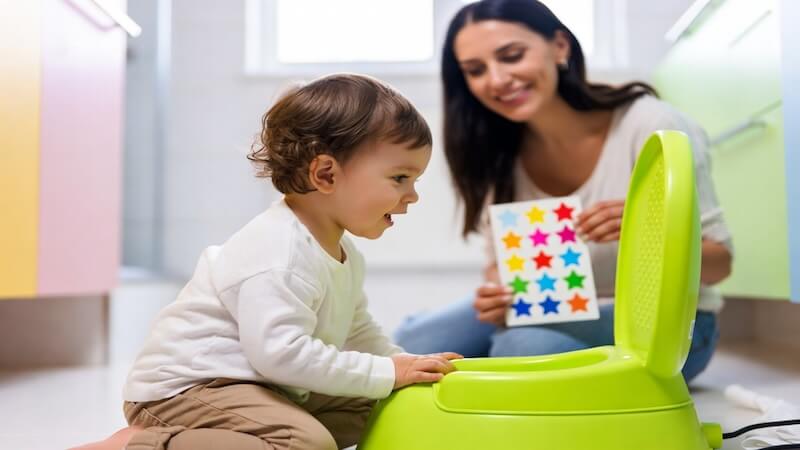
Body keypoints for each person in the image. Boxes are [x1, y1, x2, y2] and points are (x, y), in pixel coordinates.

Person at [73, 74, 461, 450]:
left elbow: (358, 332)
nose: (413, 196)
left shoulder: (342, 252)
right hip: (185, 390)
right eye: (400, 178)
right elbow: (281, 354)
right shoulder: (280, 252)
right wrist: (386, 372)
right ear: (326, 174)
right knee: (303, 443)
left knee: (380, 404)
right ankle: (140, 444)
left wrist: (401, 364)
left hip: (261, 384)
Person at [394, 0, 733, 383]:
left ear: (559, 46)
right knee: (411, 344)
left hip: (667, 326)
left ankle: (521, 362)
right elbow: (499, 265)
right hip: (550, 310)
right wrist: (498, 291)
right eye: (475, 70)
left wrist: (648, 231)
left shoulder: (652, 124)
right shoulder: (495, 150)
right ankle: (532, 365)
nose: (497, 79)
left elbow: (721, 264)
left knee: (521, 347)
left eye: (512, 56)